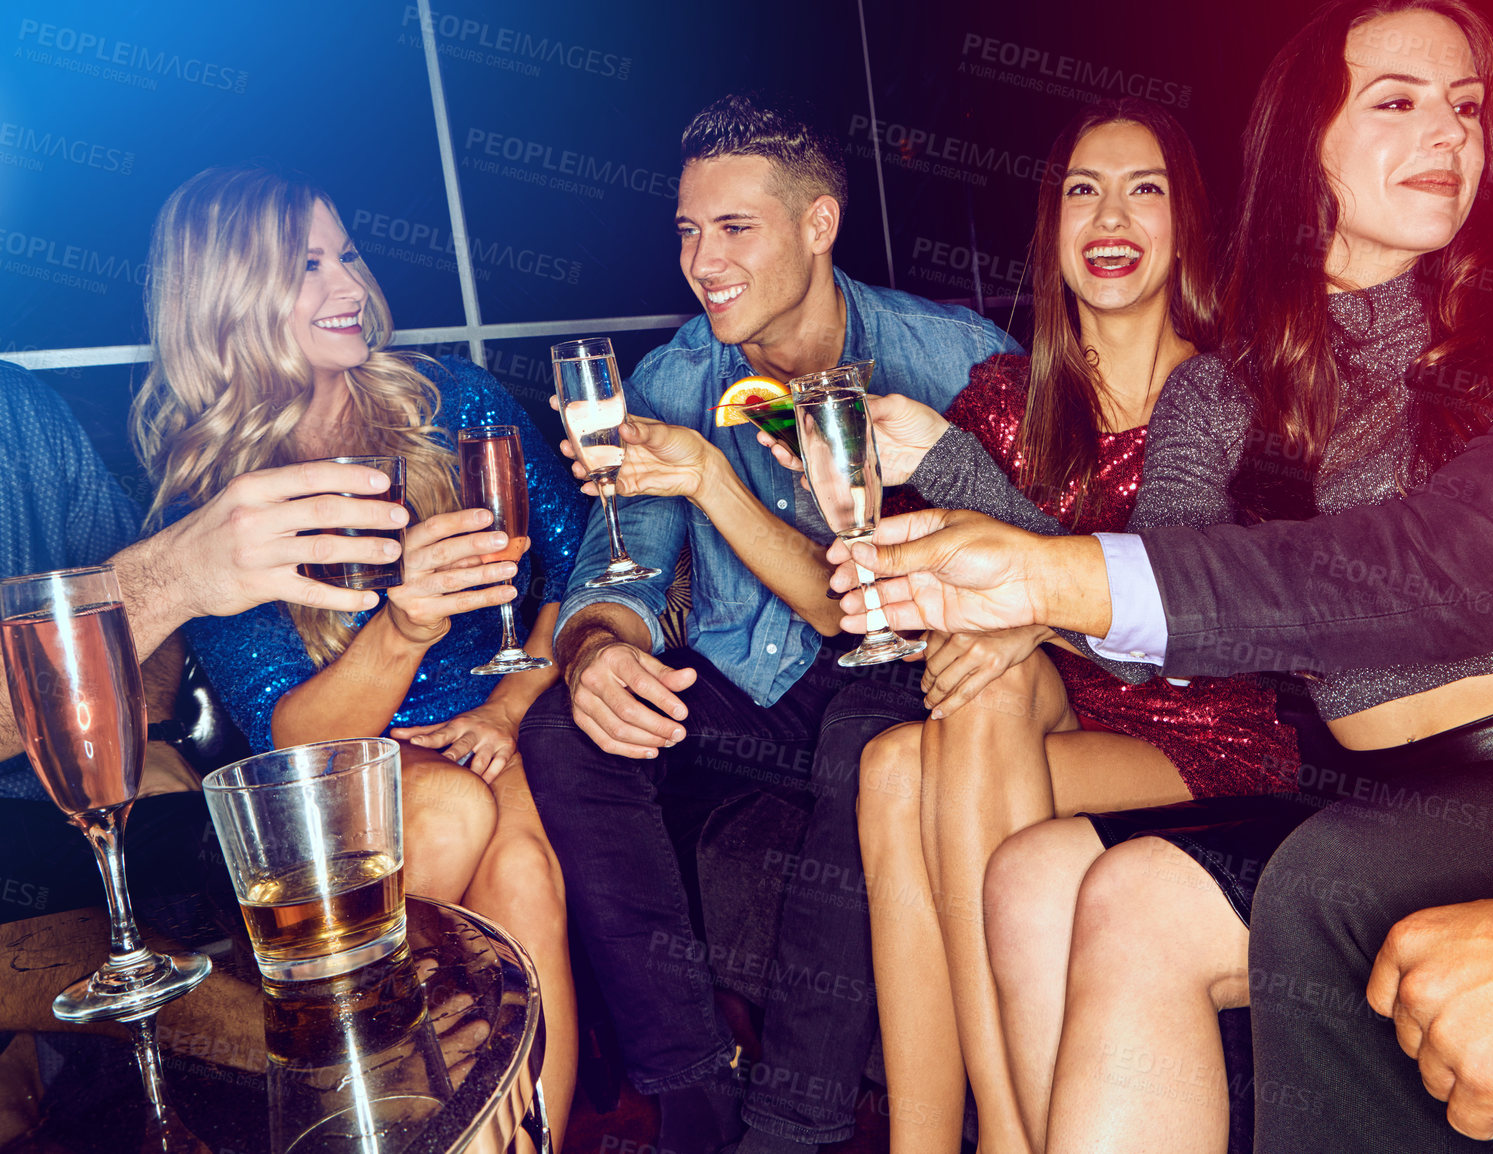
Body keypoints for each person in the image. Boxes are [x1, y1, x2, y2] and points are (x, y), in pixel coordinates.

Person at [829, 84, 1493, 1154]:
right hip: (1381, 783)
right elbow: (1170, 570)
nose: (1443, 129)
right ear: (1308, 153)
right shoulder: (1227, 383)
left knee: (1137, 856)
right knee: (1036, 870)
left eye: (1465, 105)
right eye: (1395, 101)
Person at [515, 93, 1016, 1154]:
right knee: (565, 726)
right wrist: (597, 647)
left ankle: (795, 1119)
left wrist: (713, 483)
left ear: (818, 224)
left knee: (869, 728)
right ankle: (695, 1093)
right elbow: (621, 568)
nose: (704, 261)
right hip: (763, 685)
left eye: (734, 227)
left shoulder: (956, 359)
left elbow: (999, 566)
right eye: (689, 232)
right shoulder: (674, 376)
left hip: (910, 666)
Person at [824, 99, 1298, 1154]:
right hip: (1052, 716)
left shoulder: (1221, 388)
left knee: (948, 719)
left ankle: (1011, 1134)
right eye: (1083, 189)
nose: (1109, 214)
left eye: (1145, 188)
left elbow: (1165, 615)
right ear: (1050, 229)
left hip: (1199, 736)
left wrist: (974, 518)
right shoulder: (1000, 394)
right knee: (899, 756)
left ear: (1188, 225)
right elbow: (938, 577)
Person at [128, 167, 585, 1148]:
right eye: (304, 266)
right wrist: (407, 623)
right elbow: (297, 735)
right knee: (462, 813)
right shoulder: (213, 503)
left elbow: (587, 558)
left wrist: (510, 704)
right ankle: (389, 1079)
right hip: (343, 777)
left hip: (502, 717)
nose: (346, 285)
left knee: (525, 870)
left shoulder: (446, 397)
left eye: (345, 254)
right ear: (226, 298)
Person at [0, 357, 415, 917]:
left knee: (300, 891)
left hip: (111, 791)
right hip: (16, 814)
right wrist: (172, 577)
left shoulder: (20, 401)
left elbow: (114, 584)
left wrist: (152, 734)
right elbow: (151, 584)